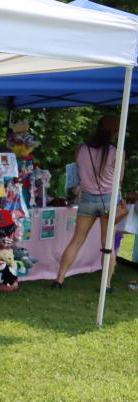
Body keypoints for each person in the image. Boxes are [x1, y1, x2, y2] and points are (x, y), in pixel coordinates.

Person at [54, 115, 126, 291]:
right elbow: (120, 180)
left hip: (86, 199)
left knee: (77, 241)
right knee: (106, 244)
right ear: (115, 132)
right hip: (108, 200)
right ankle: (106, 285)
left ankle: (59, 279)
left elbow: (78, 173)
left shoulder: (81, 150)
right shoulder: (117, 152)